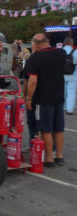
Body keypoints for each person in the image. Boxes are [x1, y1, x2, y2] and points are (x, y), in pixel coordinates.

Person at [24, 33, 66, 167]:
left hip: (43, 99)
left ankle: (49, 157)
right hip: (59, 97)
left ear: (35, 45)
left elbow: (32, 81)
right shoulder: (61, 53)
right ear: (47, 41)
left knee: (45, 129)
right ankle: (59, 155)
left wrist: (28, 98)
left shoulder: (35, 58)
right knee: (59, 128)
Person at [62, 37, 77, 115]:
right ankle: (69, 110)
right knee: (71, 92)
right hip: (73, 75)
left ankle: (63, 107)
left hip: (62, 75)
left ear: (64, 43)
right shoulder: (75, 52)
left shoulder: (60, 51)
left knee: (63, 91)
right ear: (72, 43)